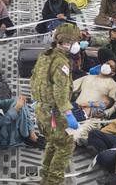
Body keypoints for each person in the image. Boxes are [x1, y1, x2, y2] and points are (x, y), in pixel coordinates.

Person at [30, 23, 81, 185]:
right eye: (75, 42)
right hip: (55, 114)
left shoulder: (45, 55)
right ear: (67, 43)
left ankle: (45, 177)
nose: (77, 45)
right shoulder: (62, 64)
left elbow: (33, 79)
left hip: (41, 110)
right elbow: (60, 94)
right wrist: (69, 114)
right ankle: (53, 181)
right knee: (65, 146)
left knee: (52, 143)